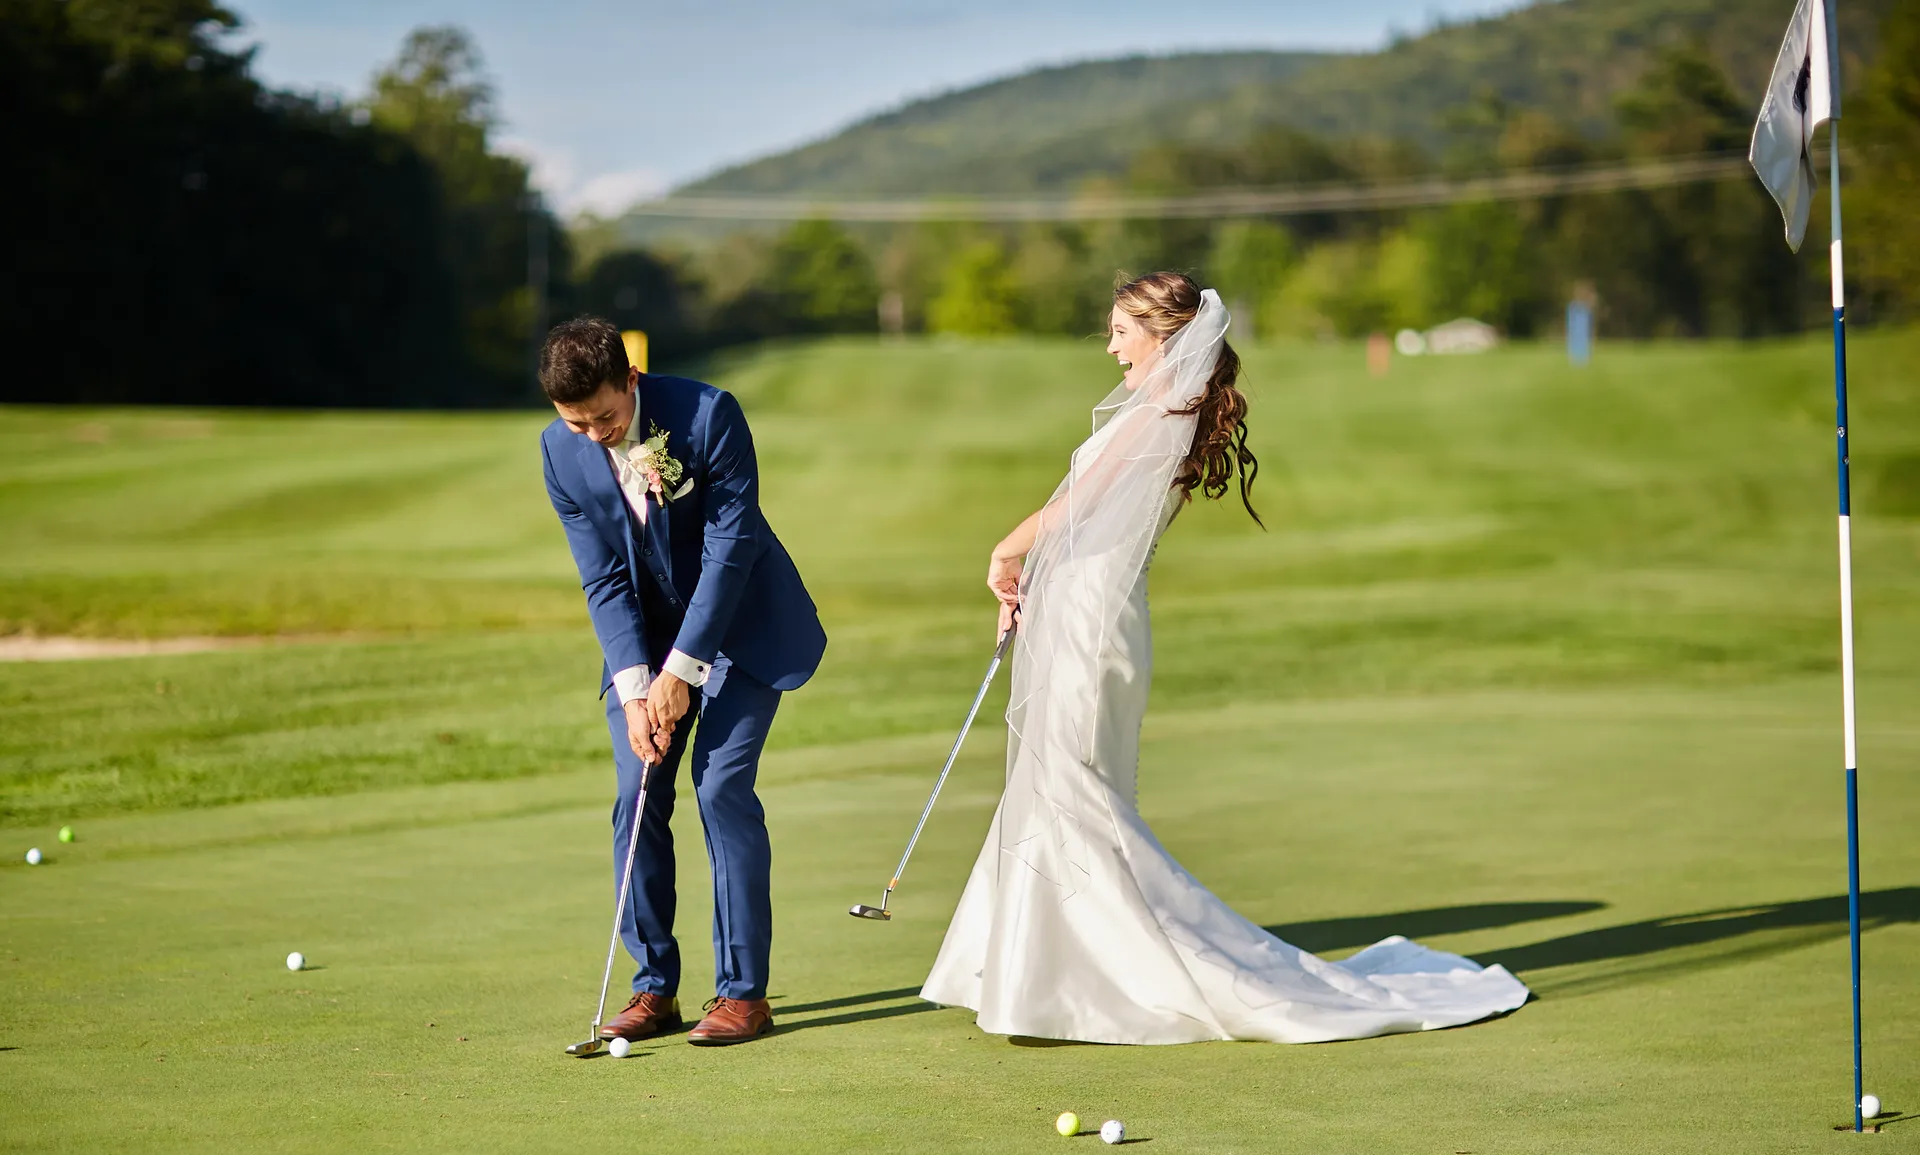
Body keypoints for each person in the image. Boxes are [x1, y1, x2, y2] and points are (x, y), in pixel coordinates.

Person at [921, 273, 1529, 1044]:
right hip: (1079, 611)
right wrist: (1032, 580)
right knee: (1055, 787)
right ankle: (1043, 978)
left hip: (1094, 623)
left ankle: (1095, 983)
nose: (1111, 348)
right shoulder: (1158, 408)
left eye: (1119, 330)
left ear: (1162, 335)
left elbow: (1082, 499)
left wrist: (1007, 548)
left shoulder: (1160, 412)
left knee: (1074, 790)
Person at [539, 317, 826, 1046]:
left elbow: (732, 549)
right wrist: (638, 688)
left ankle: (742, 994)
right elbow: (602, 578)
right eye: (576, 423)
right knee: (638, 787)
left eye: (605, 416)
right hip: (644, 646)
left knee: (719, 783)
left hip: (743, 630)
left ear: (629, 380)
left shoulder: (707, 415)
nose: (595, 434)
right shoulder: (560, 453)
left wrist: (684, 670)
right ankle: (652, 986)